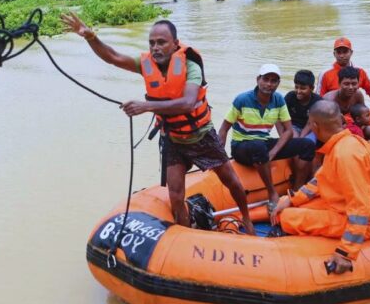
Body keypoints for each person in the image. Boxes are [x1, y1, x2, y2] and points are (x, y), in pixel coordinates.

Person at [60, 13, 255, 235]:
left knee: (232, 182)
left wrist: (145, 106)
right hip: (173, 139)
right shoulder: (146, 64)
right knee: (175, 195)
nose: (155, 48)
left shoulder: (191, 65)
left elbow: (188, 103)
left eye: (161, 42)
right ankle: (184, 234)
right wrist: (91, 37)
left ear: (174, 44)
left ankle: (247, 219)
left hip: (201, 135)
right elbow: (113, 57)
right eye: (151, 43)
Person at [270, 100, 370, 274]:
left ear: (315, 126)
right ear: (340, 119)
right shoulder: (343, 144)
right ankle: (243, 217)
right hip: (339, 205)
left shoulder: (346, 154)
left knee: (287, 217)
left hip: (363, 221)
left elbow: (360, 207)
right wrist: (292, 199)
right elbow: (319, 181)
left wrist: (346, 252)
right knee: (284, 204)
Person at [218, 64, 316, 208]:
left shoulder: (278, 100)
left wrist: (273, 152)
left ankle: (297, 188)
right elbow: (224, 129)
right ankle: (272, 192)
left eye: (273, 81)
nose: (269, 84)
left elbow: (288, 130)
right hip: (241, 146)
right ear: (258, 80)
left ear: (278, 84)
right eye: (266, 79)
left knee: (307, 145)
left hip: (263, 145)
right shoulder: (242, 99)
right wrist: (220, 159)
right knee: (258, 145)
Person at [316, 37, 370, 115]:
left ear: (351, 52)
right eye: (339, 52)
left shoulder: (360, 71)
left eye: (345, 52)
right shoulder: (325, 73)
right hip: (334, 114)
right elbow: (319, 99)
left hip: (356, 113)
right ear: (334, 54)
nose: (342, 55)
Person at [284, 69, 322, 142]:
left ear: (312, 88)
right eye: (296, 87)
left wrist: (300, 139)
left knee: (308, 142)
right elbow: (282, 116)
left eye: (303, 88)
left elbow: (310, 123)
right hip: (293, 126)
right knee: (294, 140)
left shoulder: (317, 101)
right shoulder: (290, 97)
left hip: (311, 128)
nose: (298, 91)